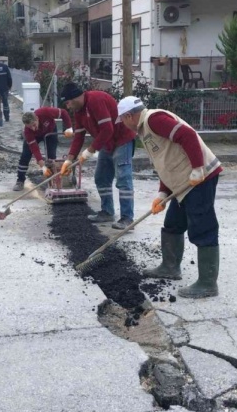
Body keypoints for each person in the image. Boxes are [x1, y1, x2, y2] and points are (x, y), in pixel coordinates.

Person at [116, 96, 222, 299]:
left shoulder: (154, 120)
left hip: (200, 178)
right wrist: (162, 193)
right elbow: (166, 162)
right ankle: (170, 267)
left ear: (129, 116)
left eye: (122, 120)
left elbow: (188, 135)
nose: (123, 124)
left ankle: (208, 284)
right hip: (184, 182)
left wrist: (198, 168)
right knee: (173, 224)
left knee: (203, 227)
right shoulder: (144, 131)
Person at [59, 83, 137, 230]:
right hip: (107, 144)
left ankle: (127, 218)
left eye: (68, 102)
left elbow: (107, 130)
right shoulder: (79, 111)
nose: (68, 106)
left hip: (122, 140)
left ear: (76, 97)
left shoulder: (96, 100)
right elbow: (79, 137)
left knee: (123, 178)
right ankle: (107, 212)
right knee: (101, 177)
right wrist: (69, 159)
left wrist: (89, 151)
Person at [14, 108, 74, 191]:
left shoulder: (45, 112)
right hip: (35, 136)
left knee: (51, 157)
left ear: (37, 118)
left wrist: (69, 128)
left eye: (34, 125)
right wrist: (42, 166)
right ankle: (20, 180)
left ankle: (53, 180)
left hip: (50, 131)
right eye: (30, 127)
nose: (33, 128)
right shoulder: (28, 132)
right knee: (25, 155)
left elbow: (63, 112)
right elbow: (35, 149)